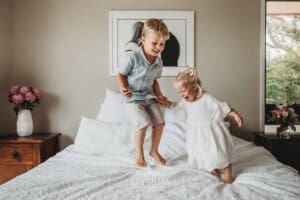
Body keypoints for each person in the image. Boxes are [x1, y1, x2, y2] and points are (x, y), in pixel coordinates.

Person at [117, 18, 172, 168]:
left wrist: (160, 95)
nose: (158, 47)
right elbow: (121, 74)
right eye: (154, 43)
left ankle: (154, 151)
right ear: (143, 39)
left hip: (149, 97)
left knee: (160, 123)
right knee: (143, 123)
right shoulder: (132, 57)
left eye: (162, 44)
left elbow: (154, 81)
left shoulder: (158, 62)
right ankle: (139, 152)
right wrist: (122, 87)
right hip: (133, 98)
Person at [173, 68, 243, 183]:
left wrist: (234, 114)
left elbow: (221, 107)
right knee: (205, 154)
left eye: (183, 90)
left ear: (195, 86)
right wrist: (167, 103)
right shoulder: (185, 102)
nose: (181, 94)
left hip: (213, 133)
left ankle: (227, 173)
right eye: (179, 92)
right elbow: (176, 108)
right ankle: (213, 169)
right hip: (198, 136)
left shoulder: (207, 98)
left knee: (220, 154)